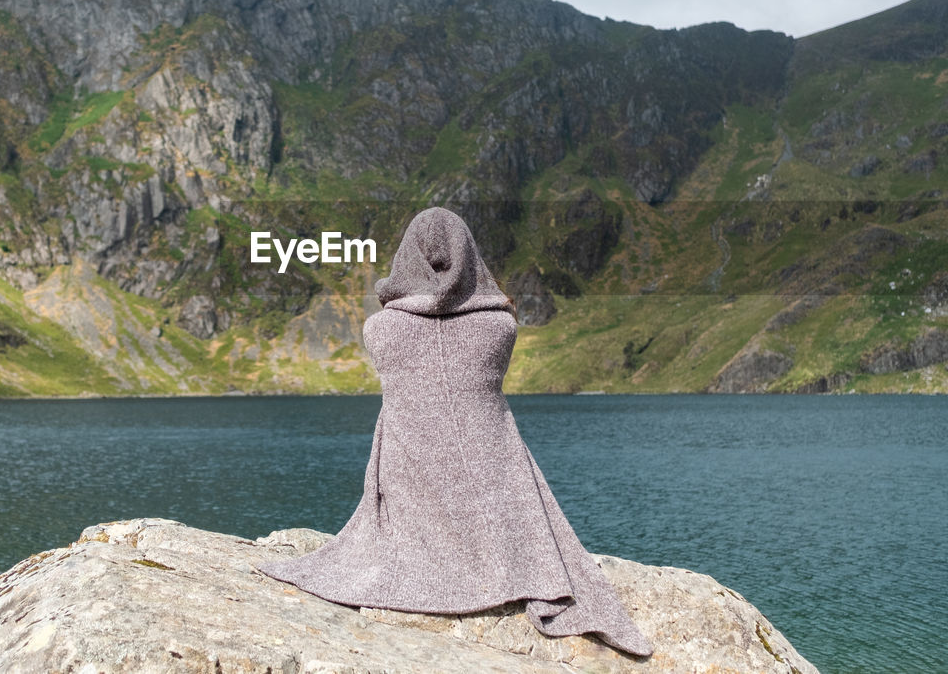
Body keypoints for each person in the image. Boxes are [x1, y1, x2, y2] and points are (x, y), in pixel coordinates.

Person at [257, 207, 652, 657]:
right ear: (470, 255)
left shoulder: (380, 329)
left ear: (407, 257)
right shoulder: (500, 325)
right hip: (494, 488)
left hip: (410, 482)